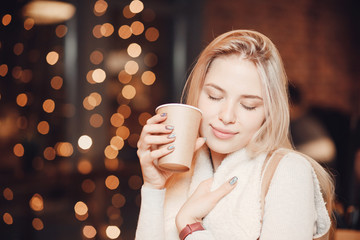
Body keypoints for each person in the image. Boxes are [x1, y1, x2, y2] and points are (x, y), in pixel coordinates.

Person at [135, 30, 334, 240]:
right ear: (198, 93)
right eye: (214, 96)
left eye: (248, 106)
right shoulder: (182, 169)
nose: (227, 116)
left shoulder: (290, 172)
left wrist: (190, 225)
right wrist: (153, 188)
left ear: (269, 112)